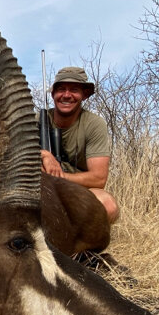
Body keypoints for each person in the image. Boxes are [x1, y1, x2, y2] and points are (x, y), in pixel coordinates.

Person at [40, 66, 119, 223]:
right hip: (38, 190)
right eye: (61, 89)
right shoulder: (35, 120)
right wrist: (43, 154)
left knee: (108, 206)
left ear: (84, 95)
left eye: (74, 90)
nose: (67, 95)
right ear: (53, 94)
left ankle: (81, 244)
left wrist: (58, 178)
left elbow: (98, 179)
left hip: (75, 190)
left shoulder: (94, 124)